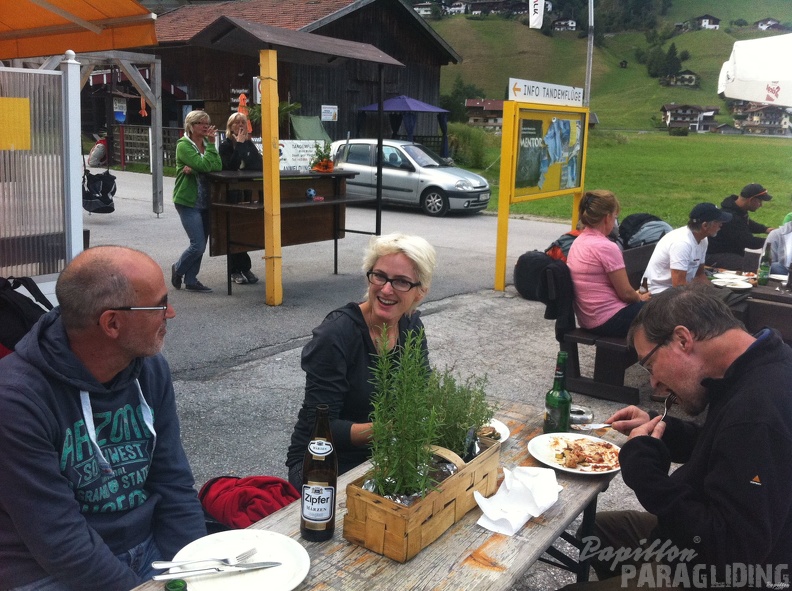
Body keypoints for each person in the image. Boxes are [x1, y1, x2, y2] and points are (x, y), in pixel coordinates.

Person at [0, 246, 206, 590]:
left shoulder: (150, 369)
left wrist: (194, 569)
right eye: (159, 304)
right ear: (112, 323)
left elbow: (173, 483)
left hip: (146, 545)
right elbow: (59, 540)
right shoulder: (16, 400)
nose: (170, 312)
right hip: (48, 569)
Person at [562, 285, 792, 590]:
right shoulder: (760, 361)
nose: (654, 382)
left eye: (650, 364)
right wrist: (664, 430)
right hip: (709, 542)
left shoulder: (757, 414)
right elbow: (729, 448)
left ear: (683, 339)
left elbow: (733, 553)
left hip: (730, 570)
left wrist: (648, 477)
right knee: (598, 531)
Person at [285, 233, 436, 489]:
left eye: (401, 282)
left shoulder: (411, 326)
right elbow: (322, 428)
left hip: (385, 455)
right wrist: (390, 430)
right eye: (380, 276)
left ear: (420, 292)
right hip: (324, 464)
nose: (386, 289)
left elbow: (420, 394)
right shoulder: (336, 334)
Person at [566, 190, 651, 338]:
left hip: (588, 318)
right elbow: (625, 293)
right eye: (615, 217)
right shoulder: (605, 247)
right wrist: (639, 298)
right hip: (608, 320)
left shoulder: (579, 241)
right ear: (607, 218)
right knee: (666, 312)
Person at [171, 110, 222, 293]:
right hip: (188, 201)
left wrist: (211, 146)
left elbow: (216, 166)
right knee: (198, 244)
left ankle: (191, 280)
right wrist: (200, 168)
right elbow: (204, 166)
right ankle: (178, 268)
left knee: (202, 244)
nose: (206, 126)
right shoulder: (183, 145)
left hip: (206, 201)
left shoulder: (208, 143)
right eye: (201, 122)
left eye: (207, 122)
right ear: (191, 126)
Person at [643, 202, 731, 294]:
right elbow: (678, 286)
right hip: (659, 292)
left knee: (727, 298)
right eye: (717, 222)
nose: (721, 224)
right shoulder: (682, 243)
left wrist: (714, 292)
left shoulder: (703, 239)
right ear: (704, 225)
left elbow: (699, 275)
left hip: (681, 290)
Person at [219, 112, 261, 285]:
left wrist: (245, 145)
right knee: (233, 230)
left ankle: (244, 267)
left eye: (243, 122)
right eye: (236, 123)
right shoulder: (225, 145)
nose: (240, 125)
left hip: (247, 191)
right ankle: (235, 270)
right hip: (232, 192)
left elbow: (258, 164)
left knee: (245, 230)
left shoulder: (249, 143)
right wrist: (240, 145)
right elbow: (231, 166)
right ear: (230, 126)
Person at [705, 183, 774, 269]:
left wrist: (765, 229)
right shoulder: (732, 217)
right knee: (751, 265)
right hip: (715, 254)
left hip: (731, 251)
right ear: (751, 200)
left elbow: (747, 223)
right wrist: (773, 241)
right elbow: (749, 242)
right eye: (759, 201)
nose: (761, 205)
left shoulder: (737, 209)